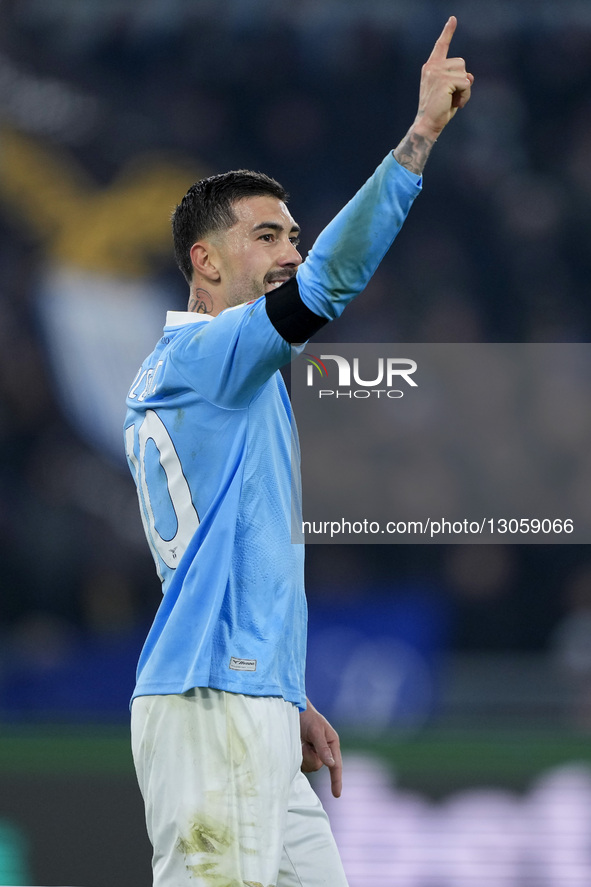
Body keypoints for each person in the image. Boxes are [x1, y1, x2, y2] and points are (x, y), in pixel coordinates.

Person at [124, 16, 473, 887]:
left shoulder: (224, 379)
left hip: (247, 699)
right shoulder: (207, 360)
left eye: (292, 233)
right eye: (267, 235)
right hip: (213, 710)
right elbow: (330, 284)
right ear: (204, 263)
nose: (291, 250)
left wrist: (288, 693)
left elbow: (208, 568)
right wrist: (420, 134)